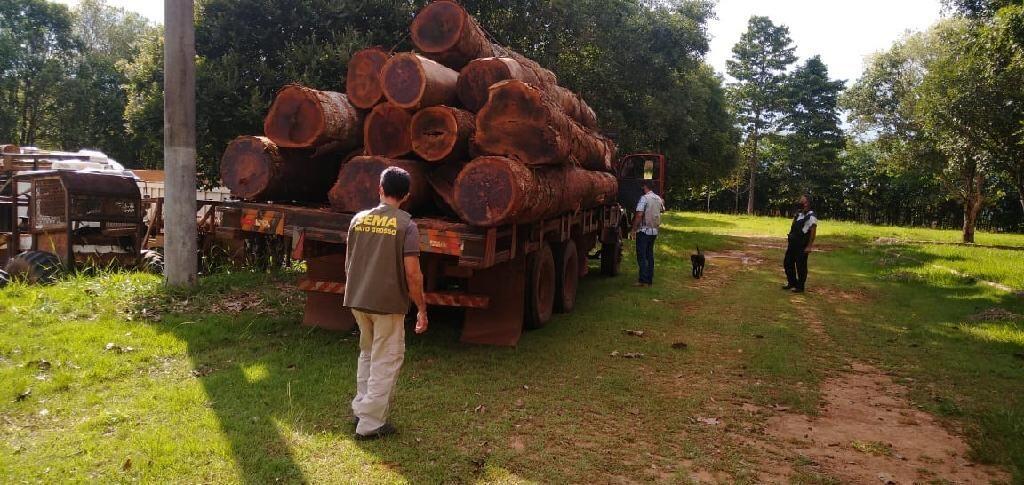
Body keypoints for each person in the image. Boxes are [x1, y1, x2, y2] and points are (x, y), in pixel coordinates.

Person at [344, 167, 428, 441]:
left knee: (367, 354)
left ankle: (361, 409)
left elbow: (350, 263)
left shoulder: (358, 219)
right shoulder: (407, 225)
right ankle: (370, 424)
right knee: (386, 359)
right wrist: (422, 308)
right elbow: (413, 273)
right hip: (388, 304)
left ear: (379, 188)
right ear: (406, 195)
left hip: (358, 299)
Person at [631, 181, 664, 287]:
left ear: (645, 187)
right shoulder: (658, 198)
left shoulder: (644, 198)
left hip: (644, 231)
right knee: (649, 255)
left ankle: (643, 280)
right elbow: (662, 210)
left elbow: (639, 214)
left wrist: (633, 229)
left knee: (642, 255)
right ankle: (649, 280)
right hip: (654, 231)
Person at [783, 194, 817, 293]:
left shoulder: (811, 216)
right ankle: (792, 282)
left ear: (807, 203)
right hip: (792, 244)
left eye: (802, 201)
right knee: (787, 263)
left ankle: (800, 287)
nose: (799, 202)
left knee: (801, 266)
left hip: (802, 245)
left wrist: (809, 246)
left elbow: (813, 231)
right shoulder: (799, 214)